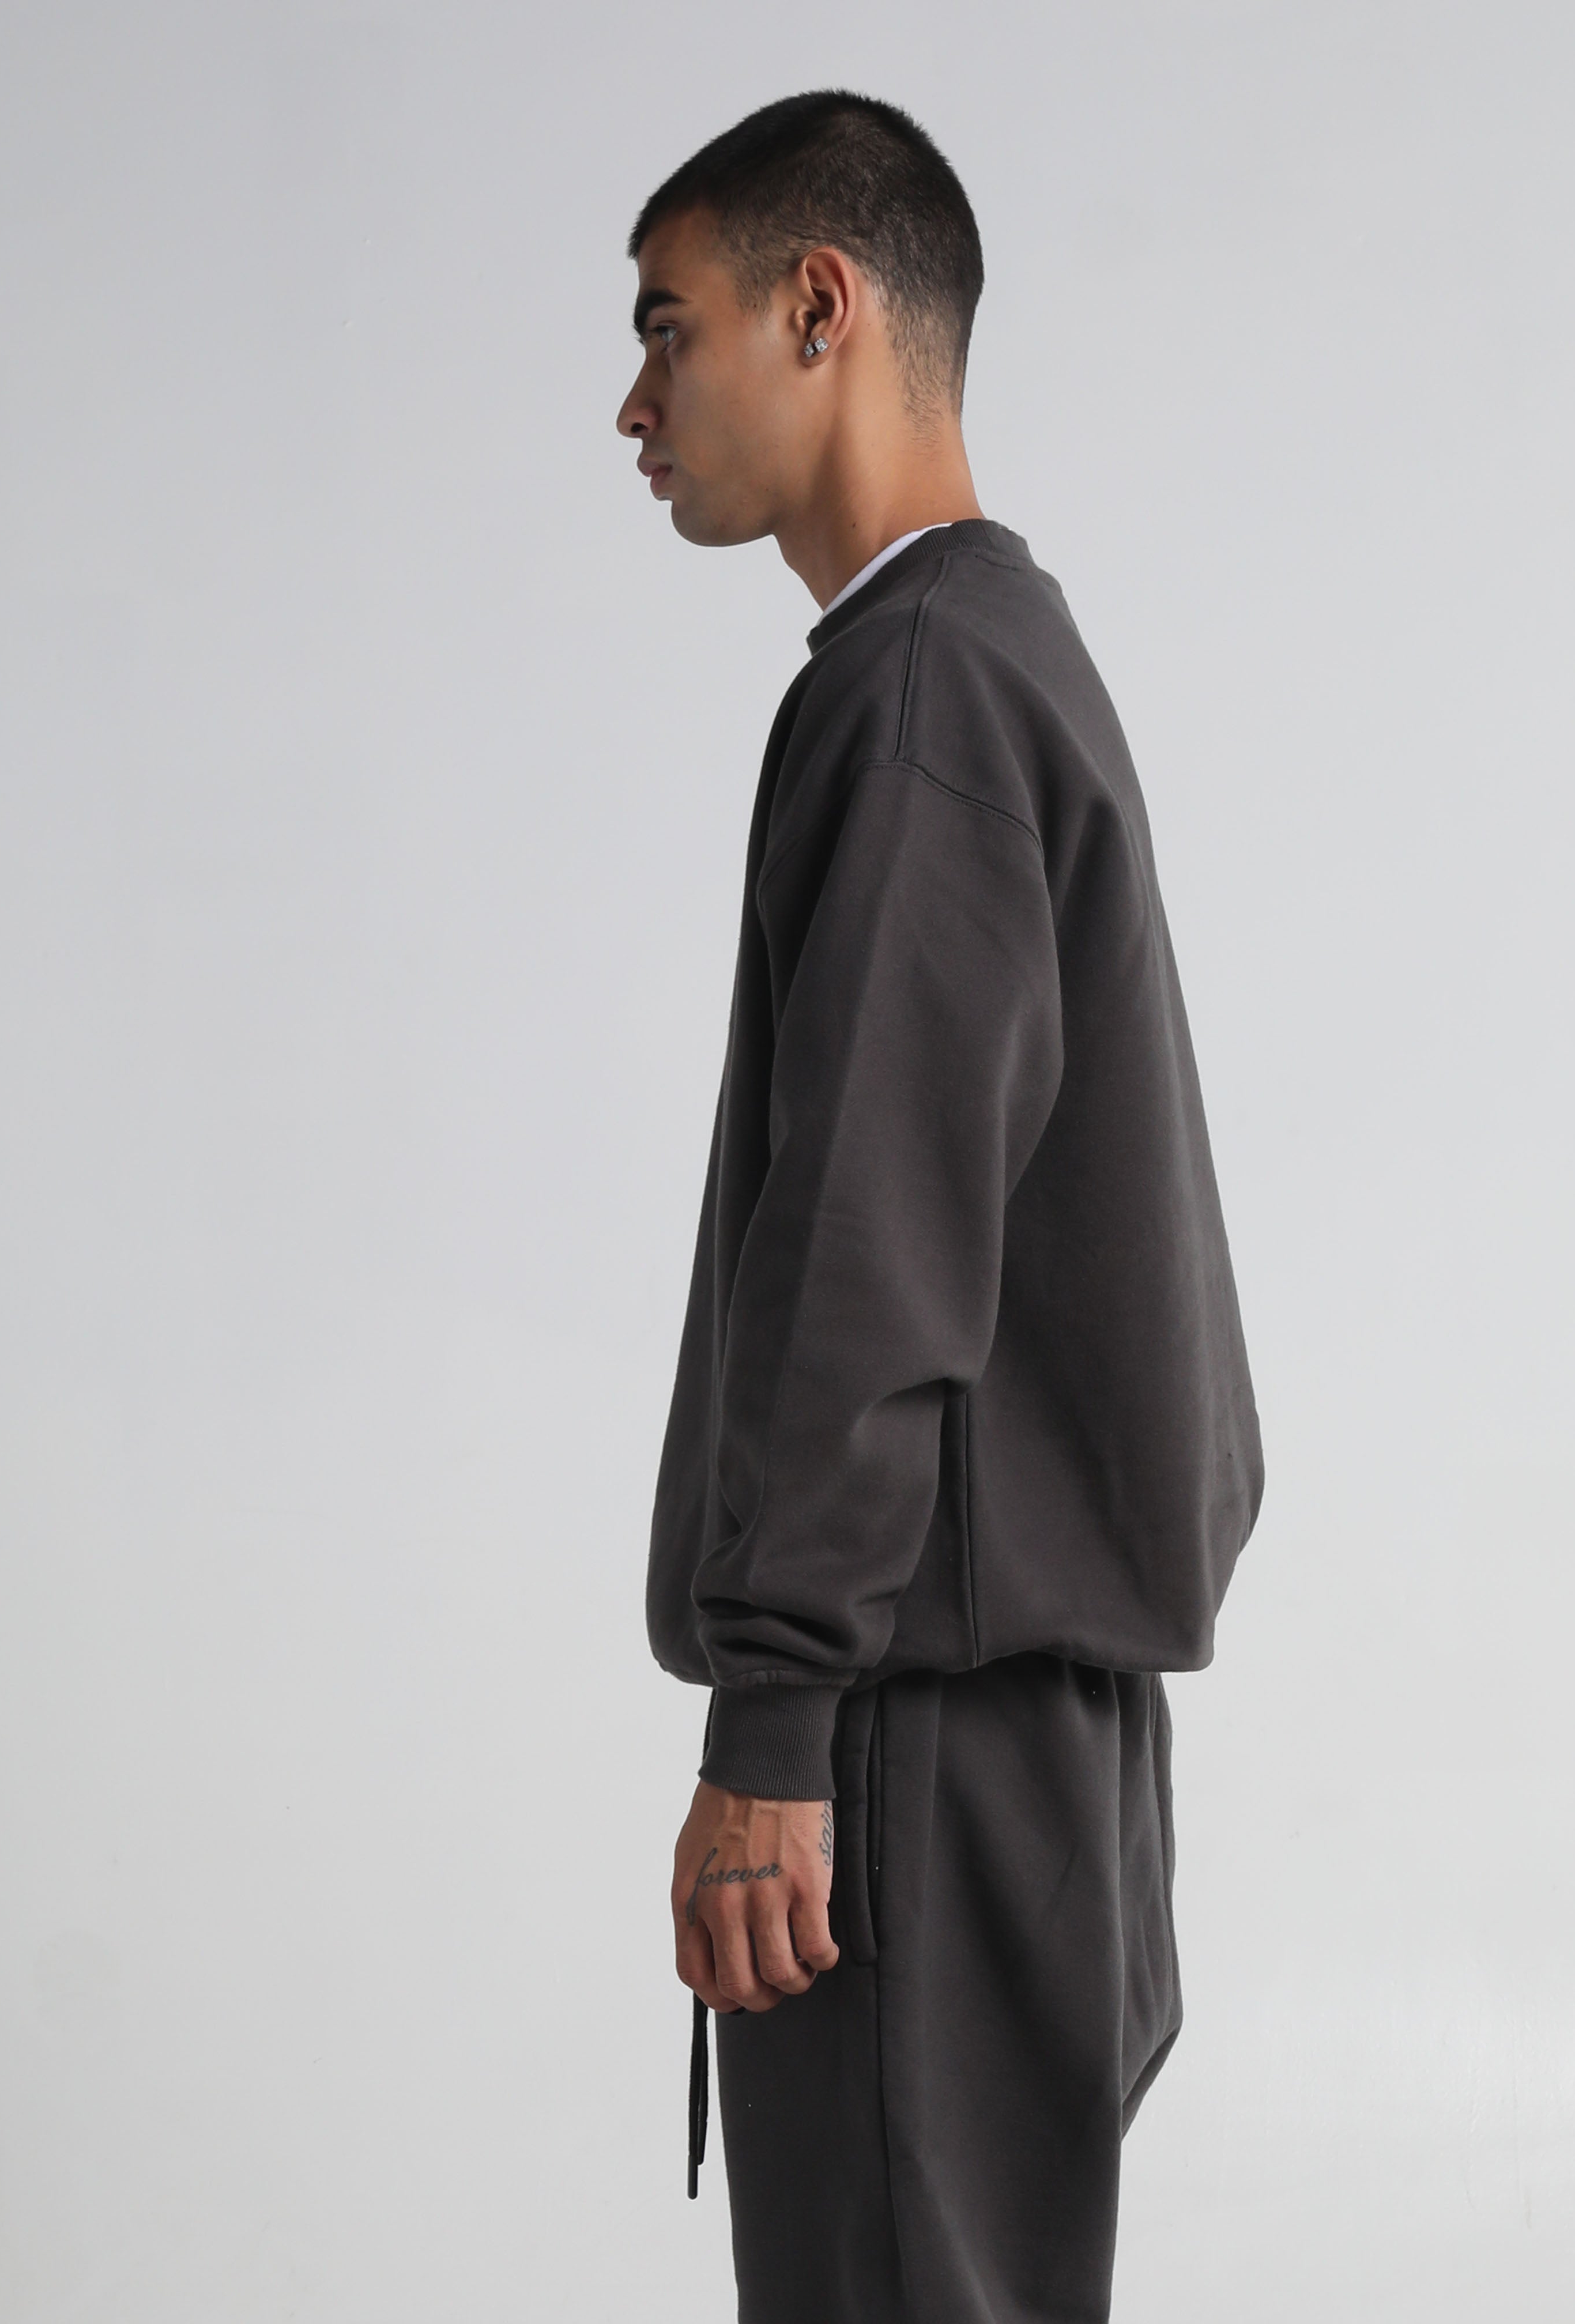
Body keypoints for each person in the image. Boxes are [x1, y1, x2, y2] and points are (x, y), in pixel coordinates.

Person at [617, 90, 1264, 2324]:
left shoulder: (919, 694)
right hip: (1017, 1735)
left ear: (821, 307)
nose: (634, 405)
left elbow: (868, 1247)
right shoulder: (991, 660)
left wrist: (774, 1723)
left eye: (667, 330)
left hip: (912, 1737)